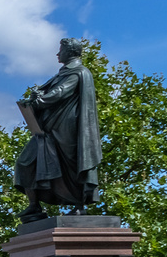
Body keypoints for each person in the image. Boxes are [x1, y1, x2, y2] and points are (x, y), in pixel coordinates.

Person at [15, 38, 103, 221]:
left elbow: (60, 93)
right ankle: (33, 206)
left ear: (70, 52)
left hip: (66, 131)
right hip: (48, 131)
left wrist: (37, 101)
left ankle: (79, 206)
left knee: (71, 167)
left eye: (60, 50)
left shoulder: (78, 72)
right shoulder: (63, 73)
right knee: (25, 162)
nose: (57, 53)